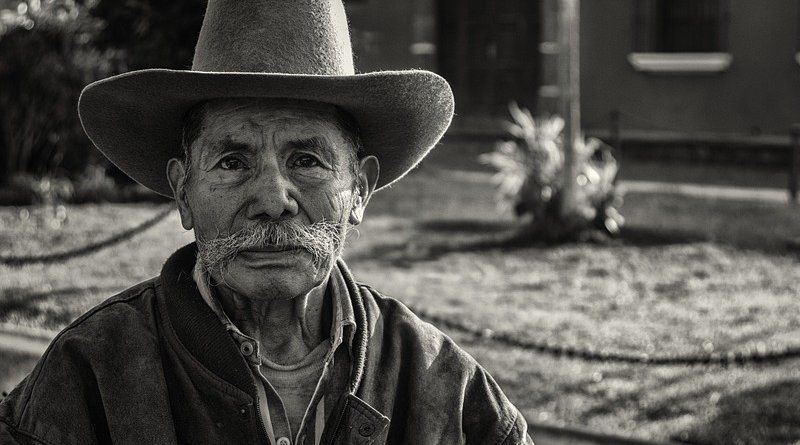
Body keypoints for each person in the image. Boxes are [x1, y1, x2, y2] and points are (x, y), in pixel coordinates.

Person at [0, 0, 533, 443]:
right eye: (233, 162)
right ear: (183, 193)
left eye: (307, 160)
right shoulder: (87, 375)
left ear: (360, 190)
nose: (274, 200)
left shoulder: (445, 387)